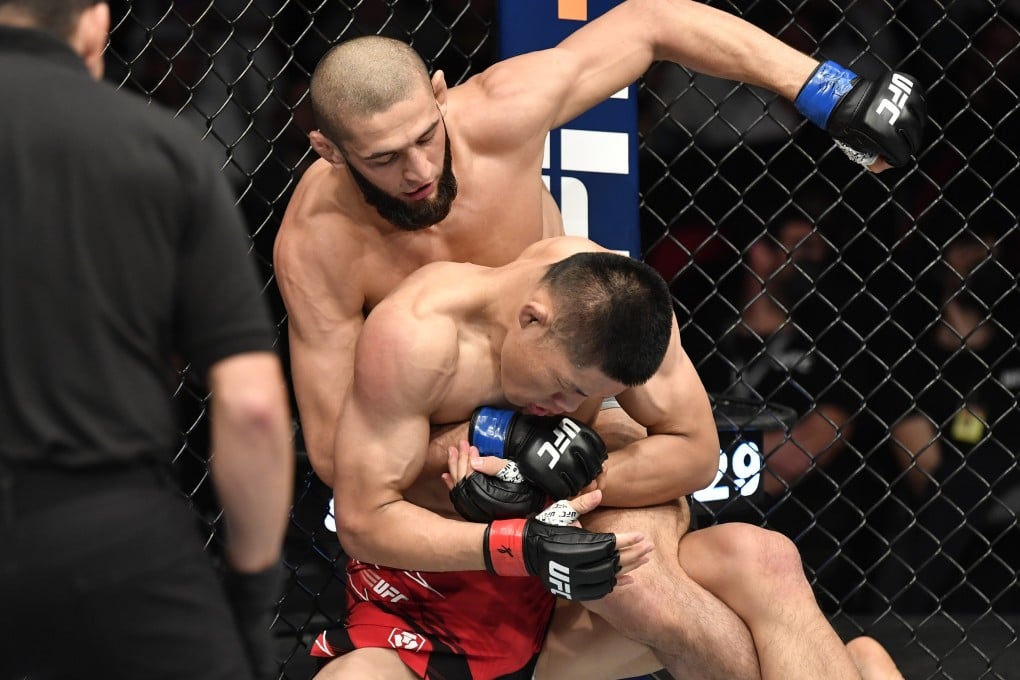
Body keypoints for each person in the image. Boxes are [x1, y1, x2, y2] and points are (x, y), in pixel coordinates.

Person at [276, 4, 925, 676]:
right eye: (383, 158)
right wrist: (500, 443)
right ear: (328, 150)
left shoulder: (502, 115)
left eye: (425, 136)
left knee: (642, 579)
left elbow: (649, 24)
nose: (418, 170)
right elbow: (335, 452)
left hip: (582, 412)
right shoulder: (319, 246)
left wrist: (823, 87)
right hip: (443, 470)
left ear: (442, 96)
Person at [307, 236, 902, 680]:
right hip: (423, 617)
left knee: (762, 557)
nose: (564, 407)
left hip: (551, 613)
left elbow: (697, 453)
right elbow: (362, 518)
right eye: (563, 383)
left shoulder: (630, 310)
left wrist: (553, 487)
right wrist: (515, 541)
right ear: (532, 317)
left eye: (588, 396)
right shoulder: (417, 336)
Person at [0, 2, 294, 679]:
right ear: (96, 25)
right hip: (109, 532)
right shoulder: (161, 149)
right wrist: (250, 595)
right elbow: (252, 407)